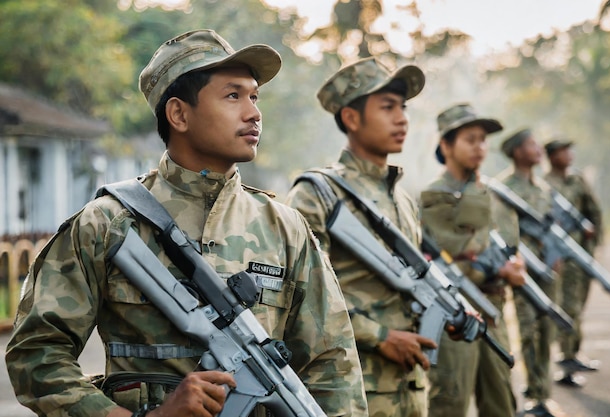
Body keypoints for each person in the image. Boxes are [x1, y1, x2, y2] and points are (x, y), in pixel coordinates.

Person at [5, 29, 368, 417]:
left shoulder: (285, 228)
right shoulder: (108, 224)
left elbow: (333, 368)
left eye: (254, 96)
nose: (254, 113)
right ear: (178, 113)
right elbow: (36, 354)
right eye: (233, 96)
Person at [285, 57, 437, 417]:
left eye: (403, 108)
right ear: (351, 118)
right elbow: (300, 300)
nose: (402, 118)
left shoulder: (402, 197)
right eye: (387, 107)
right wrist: (379, 336)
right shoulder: (317, 194)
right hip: (354, 391)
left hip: (411, 386)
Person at [419, 103, 525, 417]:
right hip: (455, 317)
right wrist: (493, 266)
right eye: (470, 139)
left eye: (483, 139)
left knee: (501, 401)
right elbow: (443, 259)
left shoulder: (494, 194)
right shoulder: (434, 197)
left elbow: (509, 243)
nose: (480, 147)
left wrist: (516, 263)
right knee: (450, 402)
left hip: (493, 311)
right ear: (446, 145)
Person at [497, 128, 561, 417]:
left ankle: (543, 391)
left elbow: (552, 229)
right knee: (528, 331)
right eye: (532, 145)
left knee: (547, 331)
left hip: (549, 271)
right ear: (517, 151)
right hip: (523, 271)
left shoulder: (543, 188)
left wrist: (556, 255)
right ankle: (536, 395)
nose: (538, 149)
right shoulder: (503, 187)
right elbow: (503, 233)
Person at [543, 138, 603, 387]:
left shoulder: (577, 180)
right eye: (563, 151)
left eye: (570, 150)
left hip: (582, 256)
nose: (569, 154)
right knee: (568, 307)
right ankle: (567, 359)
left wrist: (593, 242)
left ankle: (574, 354)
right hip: (563, 258)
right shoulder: (545, 185)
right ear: (552, 155)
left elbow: (593, 211)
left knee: (579, 306)